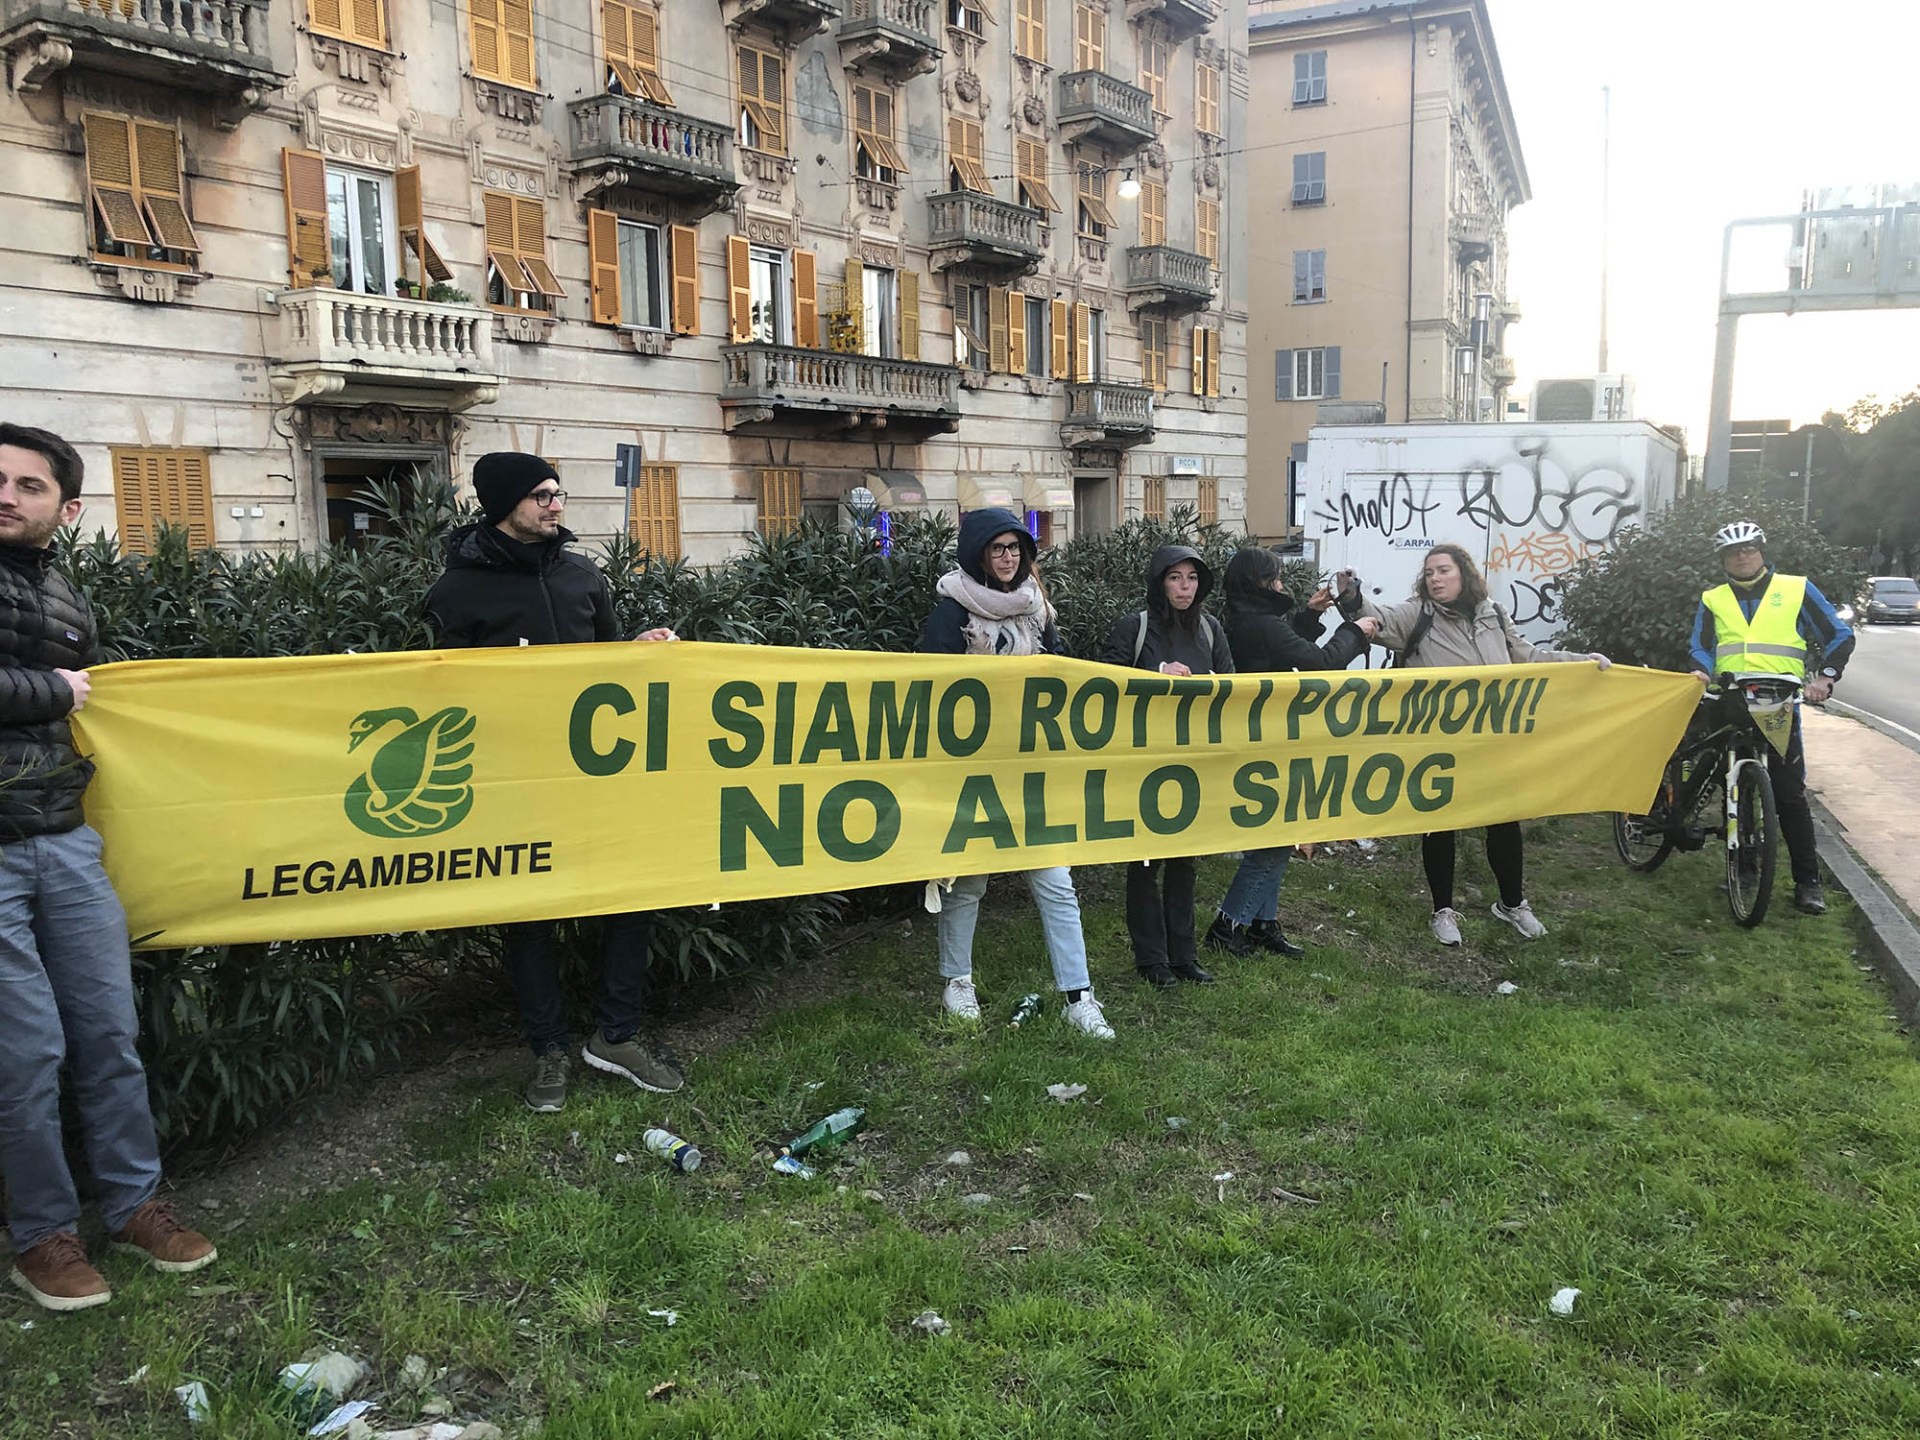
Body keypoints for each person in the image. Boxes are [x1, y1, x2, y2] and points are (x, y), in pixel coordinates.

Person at [0, 423, 216, 1313]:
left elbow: (86, 695)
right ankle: (43, 1237)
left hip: (63, 835)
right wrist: (60, 691)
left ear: (68, 508)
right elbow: (63, 692)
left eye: (28, 485)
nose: (6, 495)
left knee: (107, 1031)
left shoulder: (63, 592)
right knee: (25, 1052)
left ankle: (134, 1205)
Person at [424, 452, 684, 1109]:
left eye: (558, 493)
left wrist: (635, 654)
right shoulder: (456, 592)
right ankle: (549, 1051)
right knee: (529, 918)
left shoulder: (584, 578)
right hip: (513, 783)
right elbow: (437, 692)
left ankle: (616, 1036)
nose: (556, 505)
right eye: (542, 495)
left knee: (634, 894)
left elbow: (608, 676)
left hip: (594, 778)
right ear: (504, 503)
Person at [1340, 543, 1611, 946]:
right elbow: (1376, 618)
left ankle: (1512, 903)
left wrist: (1580, 662)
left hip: (1493, 743)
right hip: (1439, 743)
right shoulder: (1419, 614)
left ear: (1463, 574)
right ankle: (1443, 910)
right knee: (1440, 824)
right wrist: (1351, 595)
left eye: (1444, 570)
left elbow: (1528, 657)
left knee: (1504, 820)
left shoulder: (1494, 614)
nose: (1435, 578)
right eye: (1430, 572)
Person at [919, 508, 1115, 1039]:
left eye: (1015, 548)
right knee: (969, 881)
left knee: (1055, 881)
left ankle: (1079, 996)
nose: (1008, 557)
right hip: (973, 770)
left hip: (1032, 771)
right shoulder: (950, 611)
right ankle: (957, 981)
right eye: (998, 548)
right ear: (979, 553)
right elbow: (924, 686)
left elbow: (1063, 675)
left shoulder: (1037, 610)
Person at [1205, 548, 1379, 960]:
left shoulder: (1242, 619)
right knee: (1274, 837)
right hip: (1269, 737)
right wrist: (1356, 632)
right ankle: (1229, 924)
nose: (1282, 583)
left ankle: (1262, 923)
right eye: (1277, 577)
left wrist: (1310, 616)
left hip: (1256, 734)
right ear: (1261, 584)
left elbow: (1279, 649)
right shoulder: (1262, 623)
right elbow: (1319, 662)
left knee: (1279, 830)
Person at [1687, 520, 1853, 915]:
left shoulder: (1795, 588)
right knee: (1730, 776)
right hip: (1729, 697)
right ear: (1723, 560)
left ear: (1762, 551)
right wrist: (1700, 669)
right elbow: (1701, 645)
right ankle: (1744, 866)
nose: (1742, 557)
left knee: (1789, 793)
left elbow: (1839, 634)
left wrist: (1826, 677)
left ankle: (1807, 883)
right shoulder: (1713, 598)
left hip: (1777, 702)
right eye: (1733, 552)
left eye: (1748, 549)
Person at [1101, 545, 1236, 987]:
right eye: (1175, 577)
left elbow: (1230, 685)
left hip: (1191, 759)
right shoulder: (1135, 627)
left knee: (1184, 860)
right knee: (1144, 863)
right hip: (1144, 760)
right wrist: (1157, 672)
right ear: (1159, 581)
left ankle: (1184, 955)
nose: (1184, 587)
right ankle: (1150, 959)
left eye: (1192, 578)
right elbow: (1104, 683)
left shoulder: (1212, 629)